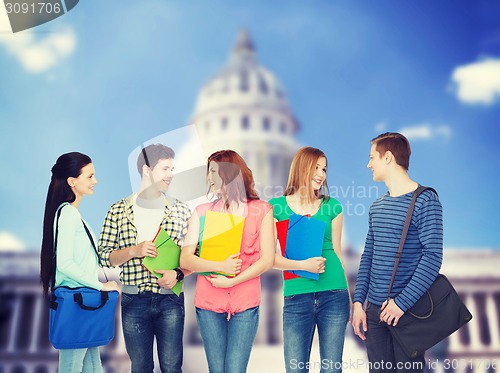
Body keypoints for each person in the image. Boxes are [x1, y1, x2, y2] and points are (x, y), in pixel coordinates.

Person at [352, 132, 443, 373]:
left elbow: (432, 257)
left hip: (407, 313)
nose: (368, 164)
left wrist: (401, 304)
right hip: (373, 313)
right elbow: (368, 256)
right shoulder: (377, 206)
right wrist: (359, 301)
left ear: (389, 157)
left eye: (372, 157)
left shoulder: (426, 200)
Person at [98, 144, 191, 373]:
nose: (171, 174)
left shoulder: (181, 210)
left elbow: (195, 256)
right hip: (134, 300)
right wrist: (133, 251)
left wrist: (177, 274)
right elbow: (104, 256)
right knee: (140, 367)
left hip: (170, 300)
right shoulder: (118, 210)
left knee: (172, 367)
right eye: (165, 169)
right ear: (147, 170)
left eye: (172, 169)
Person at [180, 149, 275, 373]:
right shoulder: (202, 212)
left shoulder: (262, 210)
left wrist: (233, 280)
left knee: (234, 369)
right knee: (217, 369)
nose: (209, 177)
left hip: (245, 301)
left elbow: (268, 259)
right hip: (209, 301)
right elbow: (186, 258)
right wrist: (219, 267)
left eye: (213, 171)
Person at [269, 146, 350, 373]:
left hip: (335, 294)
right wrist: (302, 265)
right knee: (295, 369)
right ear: (301, 167)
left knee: (332, 369)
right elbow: (269, 258)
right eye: (316, 167)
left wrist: (351, 299)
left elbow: (338, 252)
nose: (321, 174)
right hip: (296, 296)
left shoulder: (332, 206)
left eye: (324, 169)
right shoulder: (276, 207)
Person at [40, 152, 120, 373]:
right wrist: (101, 286)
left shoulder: (72, 214)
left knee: (93, 366)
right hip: (78, 302)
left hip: (83, 302)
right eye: (90, 176)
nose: (95, 181)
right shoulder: (68, 214)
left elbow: (83, 262)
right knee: (72, 367)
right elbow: (65, 264)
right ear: (72, 181)